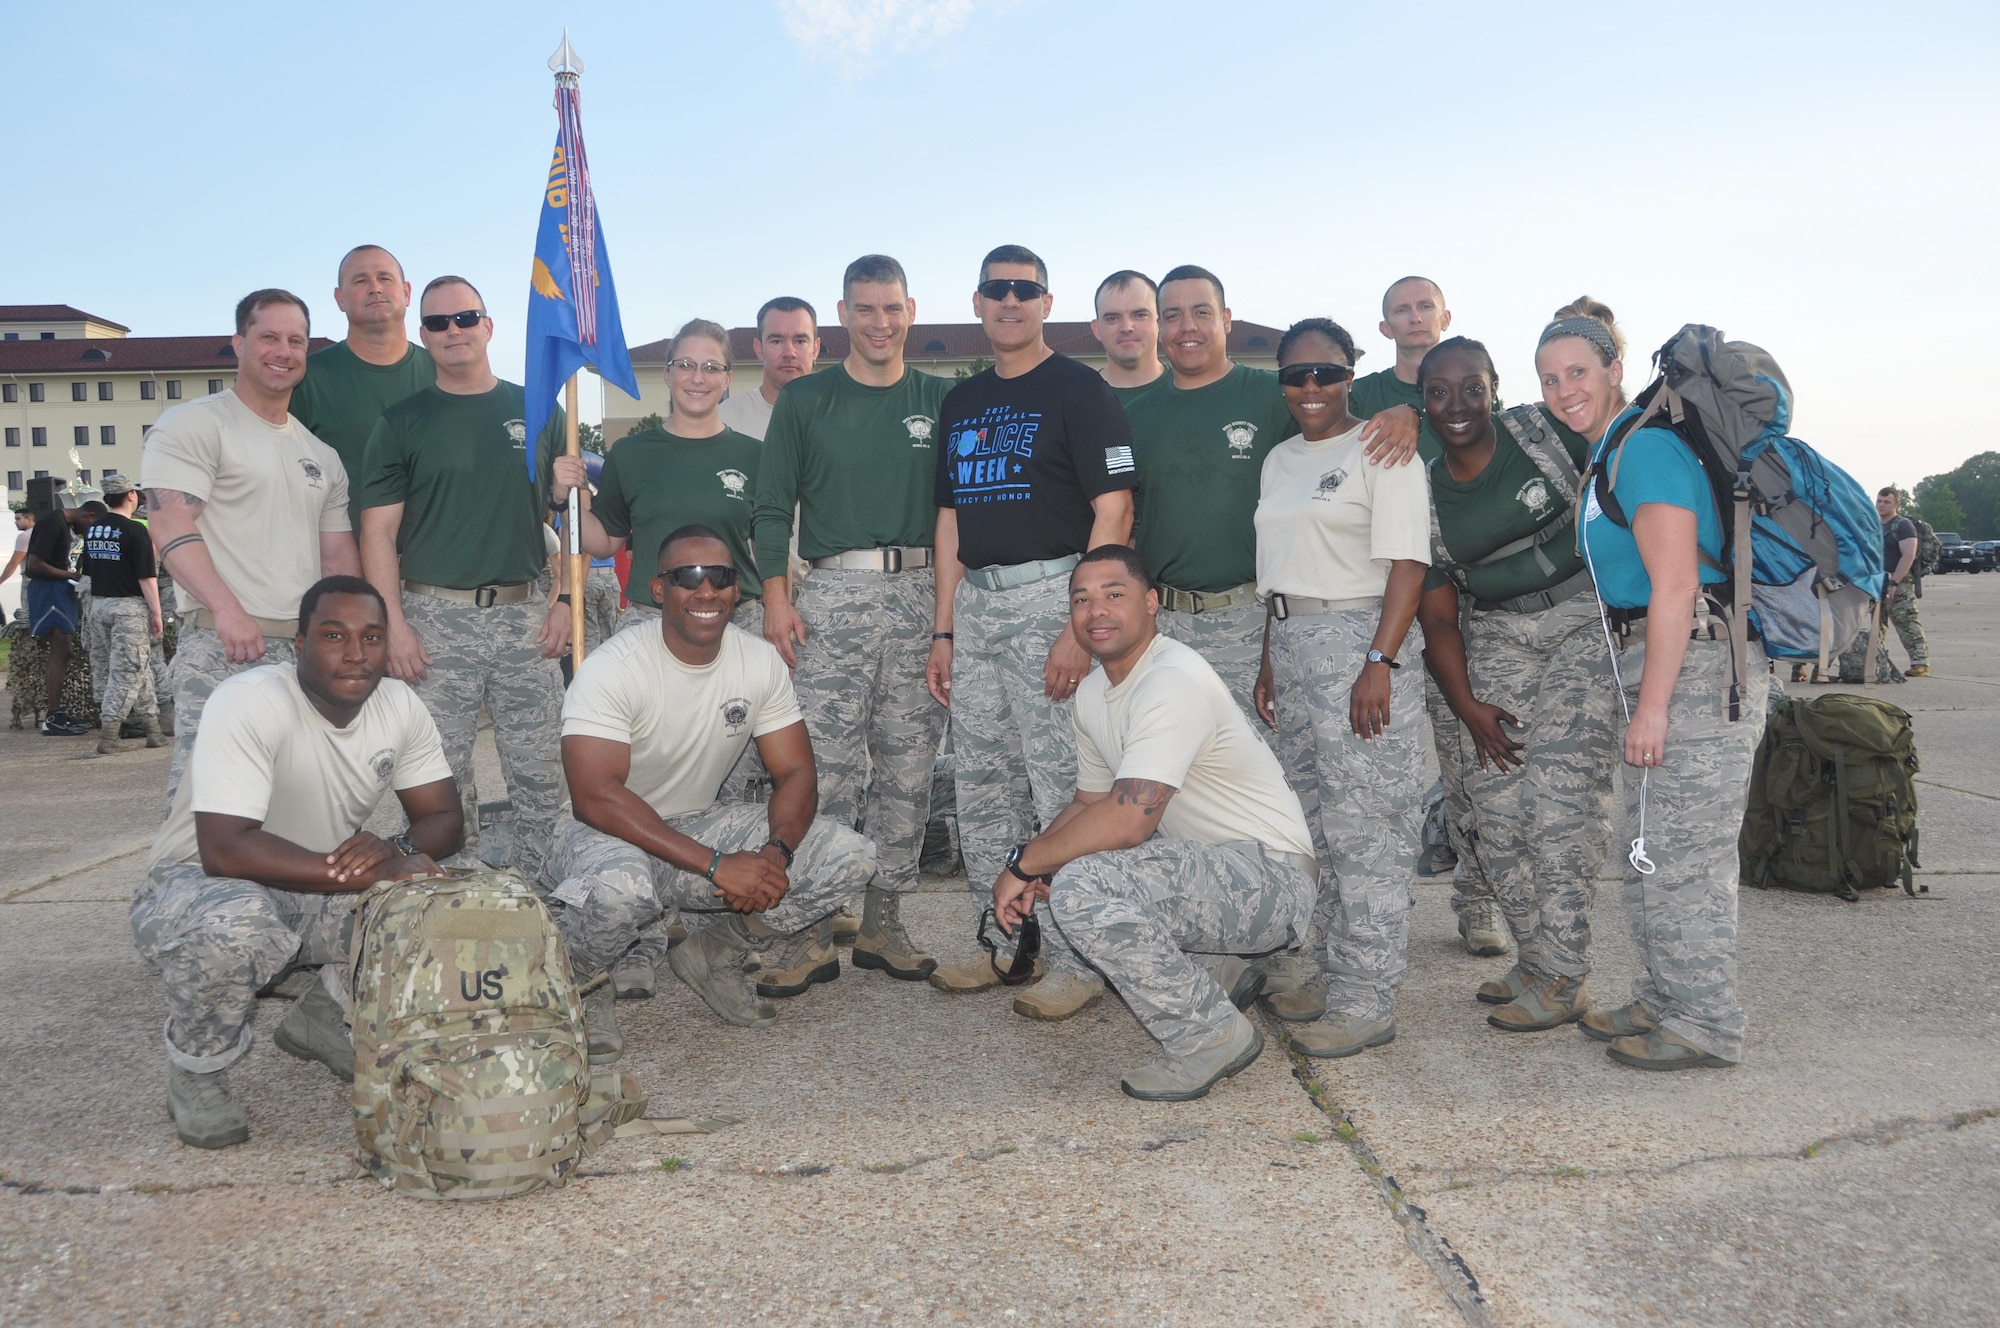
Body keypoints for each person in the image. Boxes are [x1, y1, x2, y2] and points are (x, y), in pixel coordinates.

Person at [130, 575, 462, 1149]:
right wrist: (374, 870)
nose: (356, 653)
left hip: (320, 878)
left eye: (372, 636)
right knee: (238, 929)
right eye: (334, 635)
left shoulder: (399, 704)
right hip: (199, 882)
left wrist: (398, 851)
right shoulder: (250, 700)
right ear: (298, 645)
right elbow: (225, 846)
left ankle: (325, 1016)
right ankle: (199, 1067)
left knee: (450, 897)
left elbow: (445, 819)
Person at [991, 546, 1317, 1099]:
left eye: (1114, 595)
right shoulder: (1096, 691)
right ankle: (1218, 973)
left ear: (1151, 603)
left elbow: (1127, 823)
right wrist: (1036, 858)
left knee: (1083, 886)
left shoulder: (1172, 679)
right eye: (1081, 599)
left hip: (1273, 880)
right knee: (1075, 863)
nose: (1097, 611)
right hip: (1214, 874)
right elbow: (1089, 804)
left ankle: (1209, 1036)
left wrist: (1022, 865)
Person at [547, 526, 878, 1055]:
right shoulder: (613, 667)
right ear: (659, 589)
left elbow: (796, 772)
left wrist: (774, 855)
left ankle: (714, 952)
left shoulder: (758, 661)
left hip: (695, 822)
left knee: (849, 856)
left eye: (720, 577)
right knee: (620, 893)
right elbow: (596, 796)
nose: (706, 592)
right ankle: (584, 988)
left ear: (736, 588)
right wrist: (717, 864)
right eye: (688, 577)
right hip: (602, 833)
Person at [1550, 296, 1765, 1071]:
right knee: (1647, 845)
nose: (1563, 388)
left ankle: (1706, 1021)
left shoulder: (1643, 450)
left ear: (1614, 369)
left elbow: (1675, 587)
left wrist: (1653, 707)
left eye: (1578, 371)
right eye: (1549, 379)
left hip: (1697, 667)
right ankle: (1663, 995)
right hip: (1663, 660)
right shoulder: (1613, 445)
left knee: (1685, 855)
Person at [925, 244, 1138, 1018]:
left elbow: (1113, 509)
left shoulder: (1080, 391)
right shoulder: (961, 404)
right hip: (978, 604)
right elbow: (949, 520)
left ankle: (1081, 958)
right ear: (977, 303)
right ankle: (1006, 944)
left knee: (1062, 786)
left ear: (1048, 303)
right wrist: (944, 630)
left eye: (1025, 290)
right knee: (980, 786)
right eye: (996, 291)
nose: (1010, 302)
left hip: (1054, 595)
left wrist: (1080, 626)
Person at [553, 319, 770, 996]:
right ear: (668, 373)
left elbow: (770, 543)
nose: (698, 377)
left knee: (732, 780)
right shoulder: (634, 454)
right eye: (685, 364)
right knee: (643, 774)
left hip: (733, 620)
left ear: (727, 378)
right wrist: (569, 494)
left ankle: (712, 939)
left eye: (711, 366)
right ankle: (639, 934)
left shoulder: (754, 454)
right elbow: (601, 537)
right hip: (651, 623)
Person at [751, 255, 952, 983]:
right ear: (842, 316)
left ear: (911, 310)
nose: (879, 322)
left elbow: (957, 517)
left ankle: (884, 920)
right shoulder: (806, 402)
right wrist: (777, 595)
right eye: (864, 309)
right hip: (832, 597)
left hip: (921, 591)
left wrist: (946, 623)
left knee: (908, 768)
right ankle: (809, 924)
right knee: (824, 770)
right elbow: (770, 505)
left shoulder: (941, 397)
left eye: (891, 308)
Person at [1412, 338, 1617, 1032]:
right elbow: (1438, 616)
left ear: (1495, 388)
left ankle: (1565, 977)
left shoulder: (1542, 434)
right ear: (1423, 403)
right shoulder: (1425, 493)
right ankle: (1536, 959)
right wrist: (1466, 704)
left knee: (1558, 804)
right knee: (1495, 813)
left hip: (1584, 617)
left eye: (1472, 387)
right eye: (1439, 392)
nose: (1458, 405)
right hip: (1496, 634)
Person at [1124, 267, 1420, 731]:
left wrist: (1411, 410)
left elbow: (1344, 414)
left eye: (1201, 312)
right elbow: (1124, 517)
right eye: (1173, 315)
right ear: (1160, 326)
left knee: (1263, 773)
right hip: (1165, 625)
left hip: (1251, 618)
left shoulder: (1278, 392)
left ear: (1225, 319)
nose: (1188, 327)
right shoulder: (1135, 415)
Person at [1252, 318, 1432, 1058]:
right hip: (1292, 644)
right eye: (1297, 376)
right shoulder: (1279, 460)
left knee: (1370, 832)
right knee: (1316, 828)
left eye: (1326, 373)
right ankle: (1328, 970)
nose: (1312, 388)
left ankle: (1368, 998)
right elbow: (1282, 566)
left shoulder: (1384, 450)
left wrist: (1380, 662)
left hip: (1361, 644)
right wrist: (1269, 657)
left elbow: (1408, 567)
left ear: (1351, 374)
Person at [355, 275, 568, 885]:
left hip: (526, 615)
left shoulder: (538, 409)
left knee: (539, 777)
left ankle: (543, 906)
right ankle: (455, 905)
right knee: (438, 784)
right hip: (432, 621)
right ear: (422, 336)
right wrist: (391, 625)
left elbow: (567, 514)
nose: (453, 331)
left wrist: (567, 599)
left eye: (465, 317)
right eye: (437, 323)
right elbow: (377, 533)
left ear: (488, 325)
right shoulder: (401, 422)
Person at [140, 289, 360, 803]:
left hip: (304, 656)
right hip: (225, 647)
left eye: (296, 340)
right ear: (238, 343)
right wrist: (227, 609)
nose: (283, 351)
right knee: (212, 810)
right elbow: (169, 521)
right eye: (269, 337)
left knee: (302, 807)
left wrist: (350, 637)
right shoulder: (195, 424)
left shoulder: (321, 455)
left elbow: (336, 559)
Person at [1349, 275, 1505, 958]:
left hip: (1470, 597)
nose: (1413, 318)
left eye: (1423, 307)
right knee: (1382, 771)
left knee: (1473, 759)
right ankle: (1383, 908)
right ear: (1384, 328)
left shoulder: (1471, 385)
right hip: (1388, 597)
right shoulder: (1361, 399)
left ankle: (1480, 903)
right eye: (1399, 311)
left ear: (1445, 316)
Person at [288, 245, 437, 522]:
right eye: (360, 280)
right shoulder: (307, 379)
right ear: (340, 298)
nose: (375, 288)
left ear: (406, 292)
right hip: (340, 558)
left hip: (438, 558)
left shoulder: (444, 372)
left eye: (385, 278)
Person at [80, 476, 166, 754]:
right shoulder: (135, 530)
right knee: (129, 671)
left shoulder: (93, 530)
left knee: (138, 669)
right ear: (131, 496)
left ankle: (152, 728)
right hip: (128, 607)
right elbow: (146, 577)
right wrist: (156, 612)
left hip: (100, 606)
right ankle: (110, 733)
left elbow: (89, 573)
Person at [21, 496, 97, 736]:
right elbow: (33, 565)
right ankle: (53, 717)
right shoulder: (52, 523)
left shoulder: (60, 524)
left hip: (56, 589)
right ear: (88, 515)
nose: (86, 534)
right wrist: (68, 574)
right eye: (89, 529)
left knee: (64, 652)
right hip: (48, 591)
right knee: (60, 651)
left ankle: (56, 715)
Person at [1835, 487, 1929, 681]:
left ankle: (1920, 662)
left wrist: (1895, 582)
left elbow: (1908, 555)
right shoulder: (1874, 525)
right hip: (1876, 580)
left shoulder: (1902, 526)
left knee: (1906, 621)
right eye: (1879, 501)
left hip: (1898, 581)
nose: (1881, 505)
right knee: (1877, 623)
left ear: (1896, 504)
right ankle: (1875, 658)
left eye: (1886, 502)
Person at [718, 297, 821, 440]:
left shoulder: (841, 418)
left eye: (799, 341)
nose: (789, 353)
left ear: (816, 348)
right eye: (777, 341)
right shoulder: (724, 419)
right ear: (758, 348)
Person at [1091, 271, 1166, 405]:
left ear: (1159, 323)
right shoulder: (1074, 398)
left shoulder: (1191, 391)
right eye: (1112, 318)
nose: (1126, 327)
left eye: (1139, 315)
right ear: (1097, 329)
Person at [2, 506, 31, 587]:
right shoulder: (41, 533)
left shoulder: (24, 536)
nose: (15, 522)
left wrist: (1, 580)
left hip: (29, 578)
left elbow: (14, 563)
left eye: (18, 519)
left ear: (29, 519)